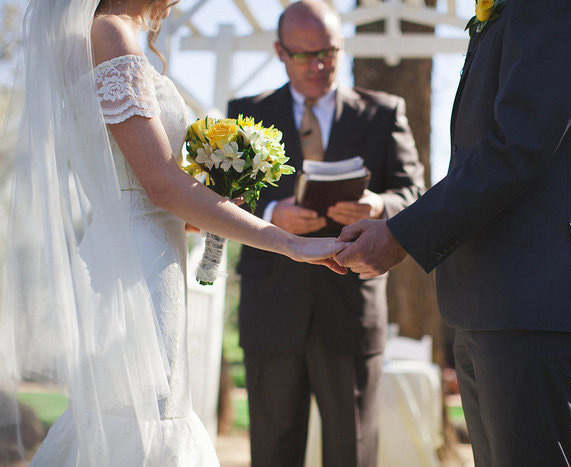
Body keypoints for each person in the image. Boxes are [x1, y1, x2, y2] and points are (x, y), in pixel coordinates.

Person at [0, 0, 349, 465]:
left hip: (139, 252)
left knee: (130, 417)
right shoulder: (110, 33)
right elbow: (161, 184)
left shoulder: (91, 37)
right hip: (141, 267)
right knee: (147, 423)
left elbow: (146, 187)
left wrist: (205, 204)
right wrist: (288, 242)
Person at [335, 0, 571, 465]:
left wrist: (401, 234)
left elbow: (515, 148)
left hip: (528, 295)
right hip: (487, 299)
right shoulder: (503, 13)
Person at [226, 1, 424, 465]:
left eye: (329, 51)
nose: (319, 64)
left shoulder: (383, 112)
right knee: (273, 453)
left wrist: (380, 205)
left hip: (351, 313)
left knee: (352, 453)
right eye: (304, 54)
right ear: (279, 51)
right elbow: (218, 201)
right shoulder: (244, 115)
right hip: (272, 310)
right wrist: (273, 212)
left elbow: (415, 192)